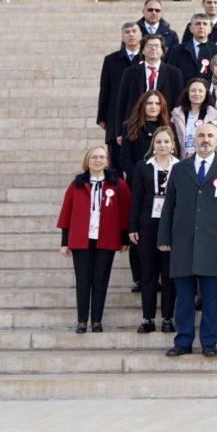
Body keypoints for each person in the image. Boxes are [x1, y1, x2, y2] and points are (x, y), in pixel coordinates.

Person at [159, 122, 217, 357]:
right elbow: (169, 206)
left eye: (210, 136)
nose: (205, 139)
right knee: (183, 297)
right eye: (201, 135)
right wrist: (164, 236)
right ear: (194, 139)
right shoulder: (180, 168)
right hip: (183, 241)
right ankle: (183, 341)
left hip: (214, 243)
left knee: (211, 298)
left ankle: (209, 342)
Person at [58, 145, 132, 334]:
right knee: (83, 280)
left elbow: (125, 213)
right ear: (87, 161)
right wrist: (64, 242)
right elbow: (67, 213)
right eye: (93, 157)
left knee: (101, 280)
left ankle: (97, 320)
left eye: (101, 157)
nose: (98, 160)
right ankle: (82, 320)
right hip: (81, 239)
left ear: (107, 161)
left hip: (105, 239)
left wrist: (124, 238)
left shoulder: (118, 184)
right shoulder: (76, 184)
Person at [128, 128, 181, 334]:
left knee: (169, 275)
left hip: (172, 227)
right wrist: (132, 226)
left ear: (173, 144)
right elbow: (137, 199)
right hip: (147, 226)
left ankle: (167, 317)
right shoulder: (143, 167)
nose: (162, 145)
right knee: (149, 274)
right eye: (158, 142)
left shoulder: (181, 167)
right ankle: (147, 318)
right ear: (153, 145)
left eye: (166, 141)